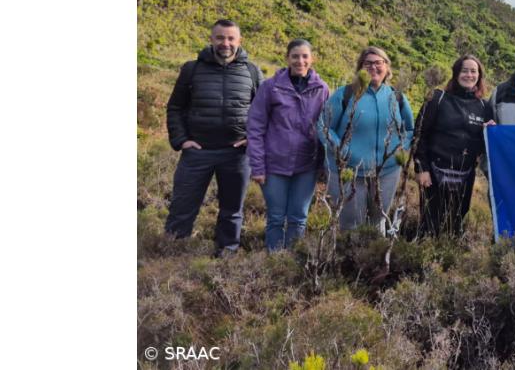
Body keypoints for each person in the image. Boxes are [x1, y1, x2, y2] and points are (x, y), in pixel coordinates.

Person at [165, 19, 262, 256]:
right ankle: (172, 251)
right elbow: (175, 107)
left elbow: (264, 112)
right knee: (182, 206)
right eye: (220, 37)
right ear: (211, 39)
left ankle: (227, 251)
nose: (225, 43)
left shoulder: (252, 71)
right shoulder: (192, 69)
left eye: (230, 38)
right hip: (197, 152)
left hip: (237, 153)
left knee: (232, 209)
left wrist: (252, 138)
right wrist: (181, 140)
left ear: (239, 41)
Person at [246, 39, 330, 251]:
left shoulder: (321, 89)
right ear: (287, 58)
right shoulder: (270, 87)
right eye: (295, 56)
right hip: (274, 165)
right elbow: (255, 127)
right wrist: (257, 166)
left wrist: (324, 166)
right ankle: (274, 261)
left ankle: (293, 263)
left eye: (304, 56)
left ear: (312, 59)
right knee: (275, 217)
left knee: (298, 218)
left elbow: (326, 129)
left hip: (307, 166)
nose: (300, 61)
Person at [318, 46, 414, 231]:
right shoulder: (345, 94)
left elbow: (409, 129)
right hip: (348, 172)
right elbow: (324, 127)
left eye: (379, 63)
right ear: (360, 67)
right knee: (351, 225)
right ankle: (349, 259)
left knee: (378, 222)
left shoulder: (397, 97)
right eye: (368, 63)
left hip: (387, 172)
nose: (373, 67)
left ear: (387, 67)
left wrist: (400, 149)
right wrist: (342, 150)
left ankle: (374, 259)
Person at [413, 55, 495, 235]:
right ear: (456, 73)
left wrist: (490, 133)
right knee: (430, 223)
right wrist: (421, 168)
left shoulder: (484, 106)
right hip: (434, 173)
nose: (469, 75)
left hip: (465, 176)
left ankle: (448, 259)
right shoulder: (437, 98)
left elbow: (483, 146)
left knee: (455, 224)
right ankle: (423, 257)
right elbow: (420, 134)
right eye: (464, 70)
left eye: (474, 71)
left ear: (479, 76)